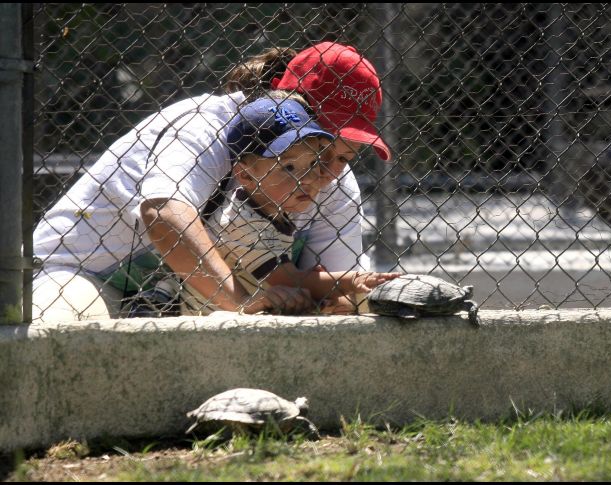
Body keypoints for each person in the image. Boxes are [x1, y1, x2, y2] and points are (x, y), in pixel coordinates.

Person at [32, 41, 391, 323]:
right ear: (286, 101)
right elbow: (163, 214)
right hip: (86, 275)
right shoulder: (204, 124)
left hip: (189, 298)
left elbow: (330, 286)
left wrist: (345, 299)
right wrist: (240, 305)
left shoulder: (336, 184)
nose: (327, 171)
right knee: (61, 326)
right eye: (323, 145)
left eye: (345, 156)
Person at [181, 94, 399, 315]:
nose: (308, 178)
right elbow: (288, 279)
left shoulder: (275, 209)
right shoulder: (237, 219)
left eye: (314, 162)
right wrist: (354, 280)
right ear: (245, 175)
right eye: (288, 167)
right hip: (210, 323)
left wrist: (323, 291)